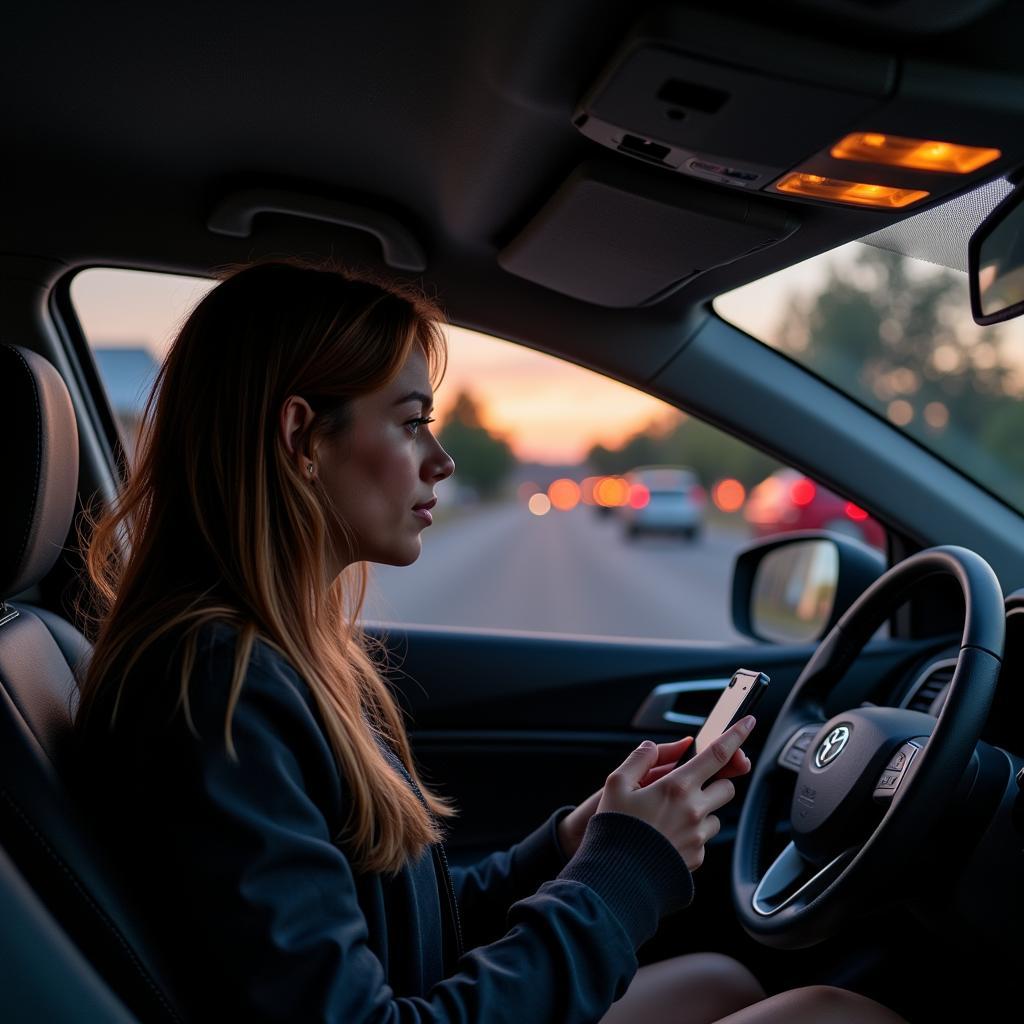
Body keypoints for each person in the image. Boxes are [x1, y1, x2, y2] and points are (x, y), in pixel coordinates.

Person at [70, 258, 909, 1023]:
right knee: (838, 1016)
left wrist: (578, 841)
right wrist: (625, 872)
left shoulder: (274, 658)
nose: (441, 460)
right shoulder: (218, 686)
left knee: (725, 984)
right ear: (301, 440)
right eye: (408, 423)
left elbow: (400, 926)